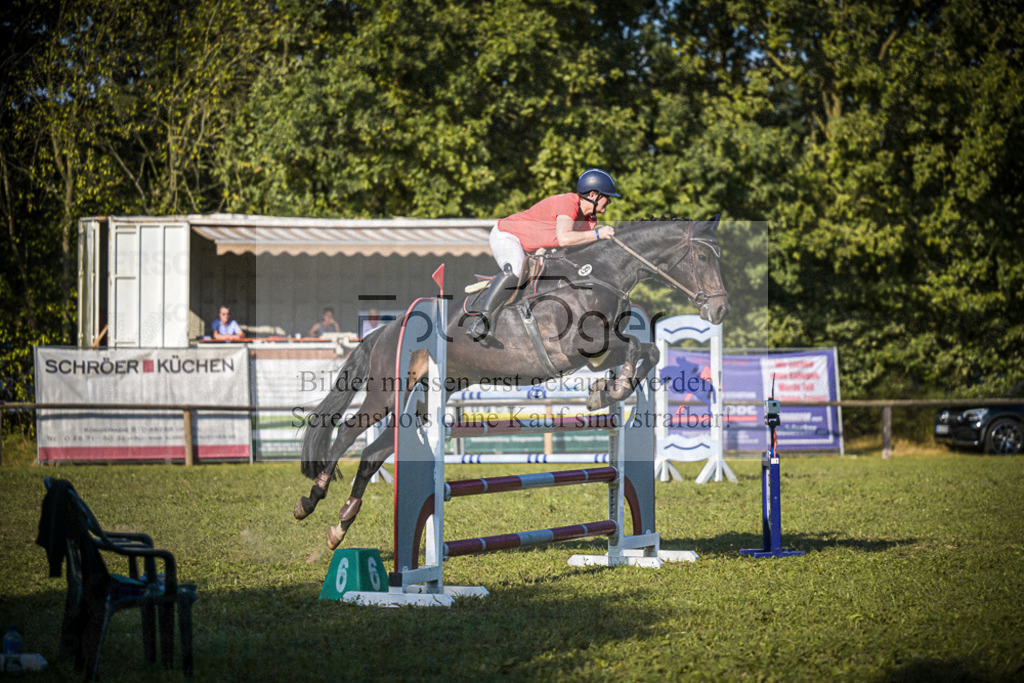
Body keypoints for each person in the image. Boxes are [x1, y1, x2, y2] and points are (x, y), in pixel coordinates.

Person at [468, 168, 620, 343]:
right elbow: (564, 239)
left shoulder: (590, 220)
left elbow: (574, 251)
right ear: (593, 195)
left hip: (530, 248)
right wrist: (599, 235)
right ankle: (482, 321)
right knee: (516, 270)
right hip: (507, 235)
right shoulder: (568, 202)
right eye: (607, 197)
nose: (609, 201)